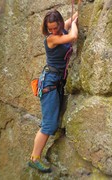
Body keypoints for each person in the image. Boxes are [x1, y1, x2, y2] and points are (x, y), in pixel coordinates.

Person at [28, 9, 78, 173]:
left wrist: (78, 11)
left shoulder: (61, 28)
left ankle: (35, 158)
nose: (54, 31)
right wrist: (74, 25)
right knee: (49, 124)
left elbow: (73, 17)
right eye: (50, 28)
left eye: (56, 27)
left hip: (55, 82)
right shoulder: (52, 38)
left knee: (51, 122)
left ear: (60, 24)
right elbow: (73, 37)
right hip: (50, 83)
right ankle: (34, 159)